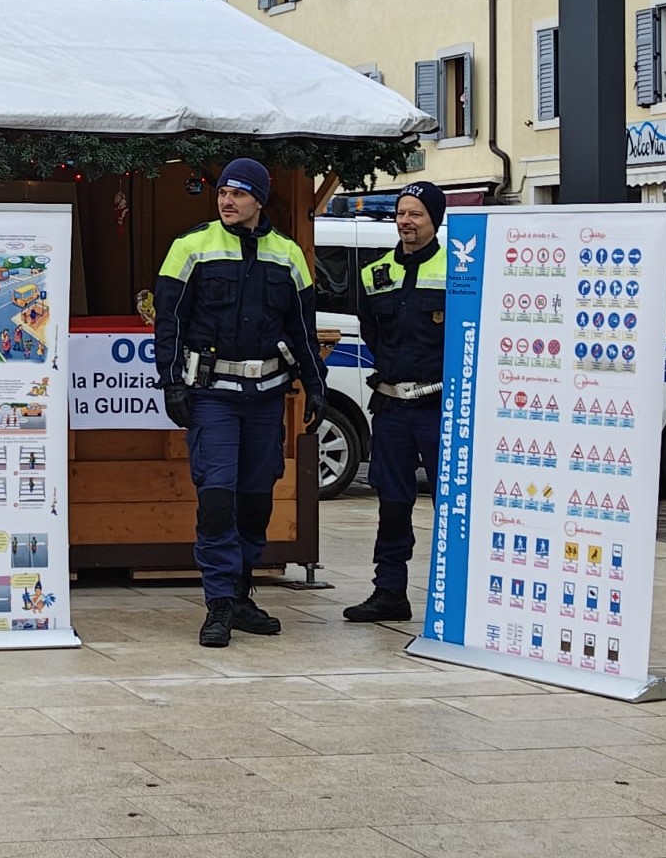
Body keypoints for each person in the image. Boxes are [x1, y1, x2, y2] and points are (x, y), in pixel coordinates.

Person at [153, 157, 326, 648]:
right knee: (216, 497)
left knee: (254, 501)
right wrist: (172, 384)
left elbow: (302, 330)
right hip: (211, 397)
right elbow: (169, 326)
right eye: (223, 192)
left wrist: (316, 386)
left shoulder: (288, 255)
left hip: (266, 397)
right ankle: (219, 603)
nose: (227, 201)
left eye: (239, 193)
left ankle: (242, 591)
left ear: (259, 200)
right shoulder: (191, 247)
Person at [344, 181, 449, 624]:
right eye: (401, 213)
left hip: (441, 408)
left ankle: (457, 592)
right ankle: (389, 591)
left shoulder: (459, 268)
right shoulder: (375, 273)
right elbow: (373, 333)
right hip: (391, 409)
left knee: (453, 502)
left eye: (416, 214)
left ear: (434, 220)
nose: (406, 221)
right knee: (392, 501)